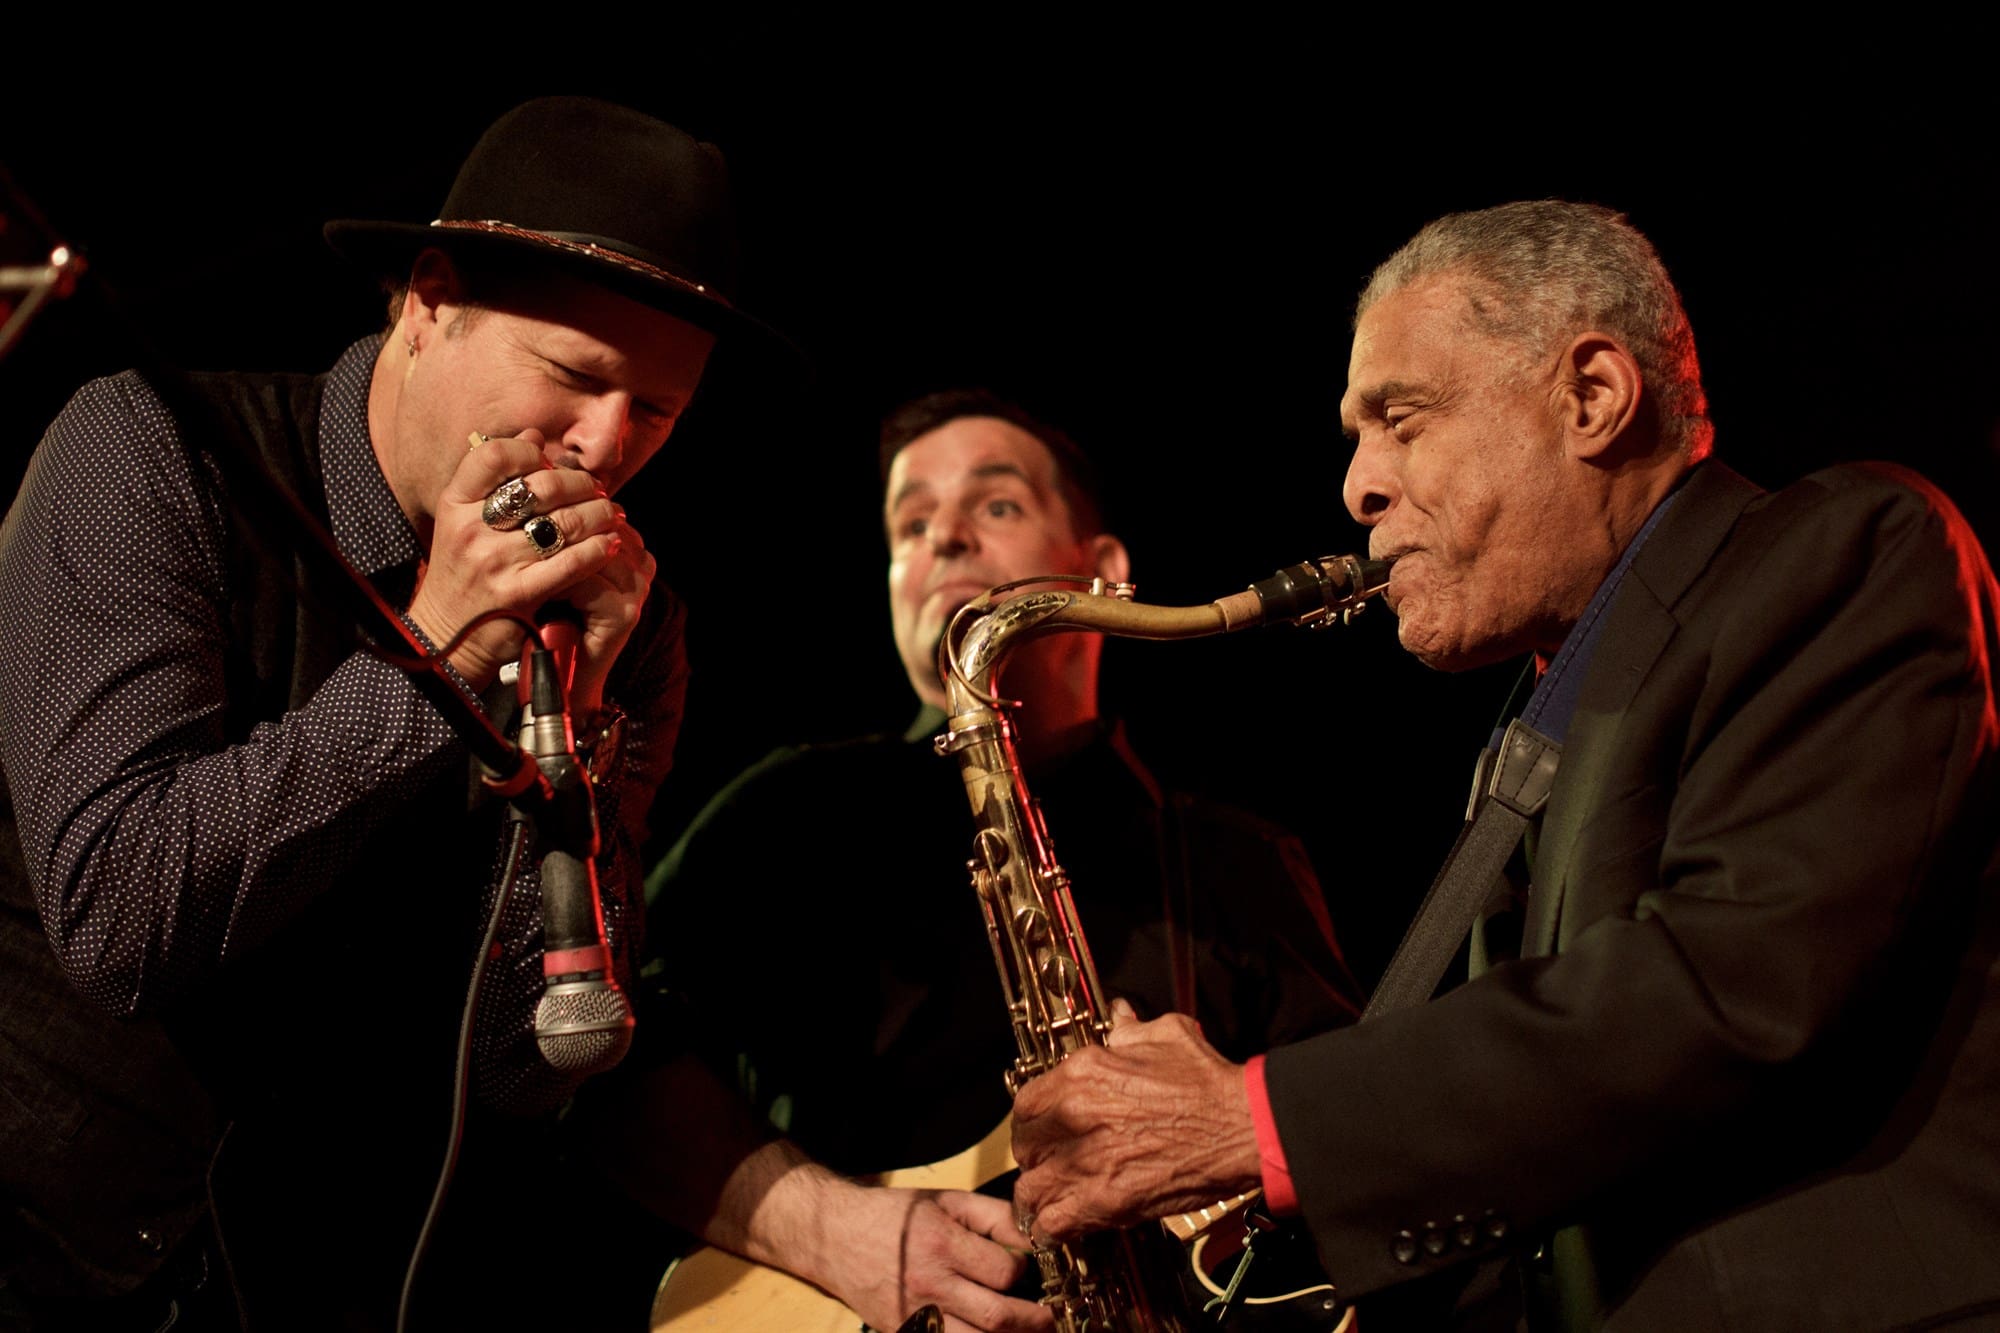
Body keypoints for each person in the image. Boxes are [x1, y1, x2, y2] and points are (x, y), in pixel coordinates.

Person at [1008, 200, 2000, 1330]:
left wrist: (1258, 1119)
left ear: (1591, 397)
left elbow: (1733, 985)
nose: (1357, 487)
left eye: (1400, 420)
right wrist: (1248, 1198)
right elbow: (1552, 1157)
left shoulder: (1842, 547)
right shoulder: (1548, 716)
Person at [0, 96, 789, 1330]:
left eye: (656, 413)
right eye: (575, 377)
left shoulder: (633, 634)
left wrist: (573, 741)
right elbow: (119, 916)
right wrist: (441, 659)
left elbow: (533, 1065)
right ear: (428, 302)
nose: (604, 444)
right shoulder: (150, 452)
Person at [575, 389, 1363, 1333]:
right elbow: (592, 1051)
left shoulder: (1237, 861)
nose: (944, 538)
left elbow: (1354, 1167)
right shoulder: (788, 811)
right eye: (910, 525)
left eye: (996, 503)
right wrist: (831, 1231)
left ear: (1105, 569)